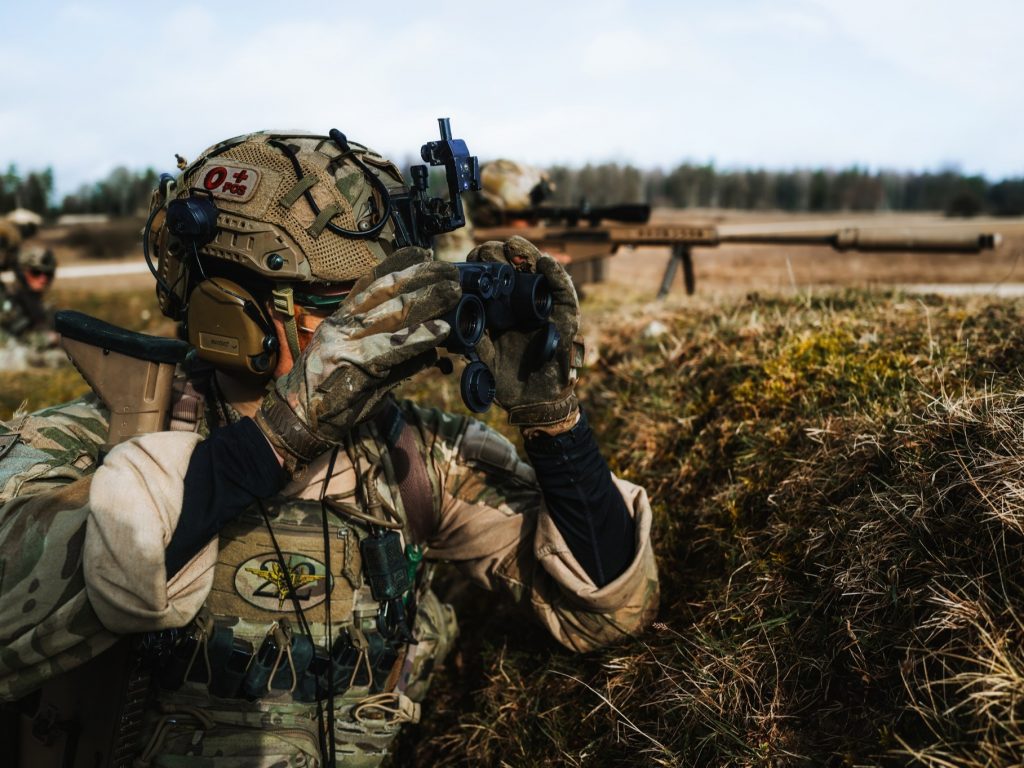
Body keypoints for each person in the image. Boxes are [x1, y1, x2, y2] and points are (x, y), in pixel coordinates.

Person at [0, 130, 658, 766]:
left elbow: (604, 609)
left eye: (382, 300)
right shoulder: (97, 440)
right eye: (338, 308)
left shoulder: (409, 457)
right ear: (227, 309)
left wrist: (555, 424)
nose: (372, 331)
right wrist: (278, 436)